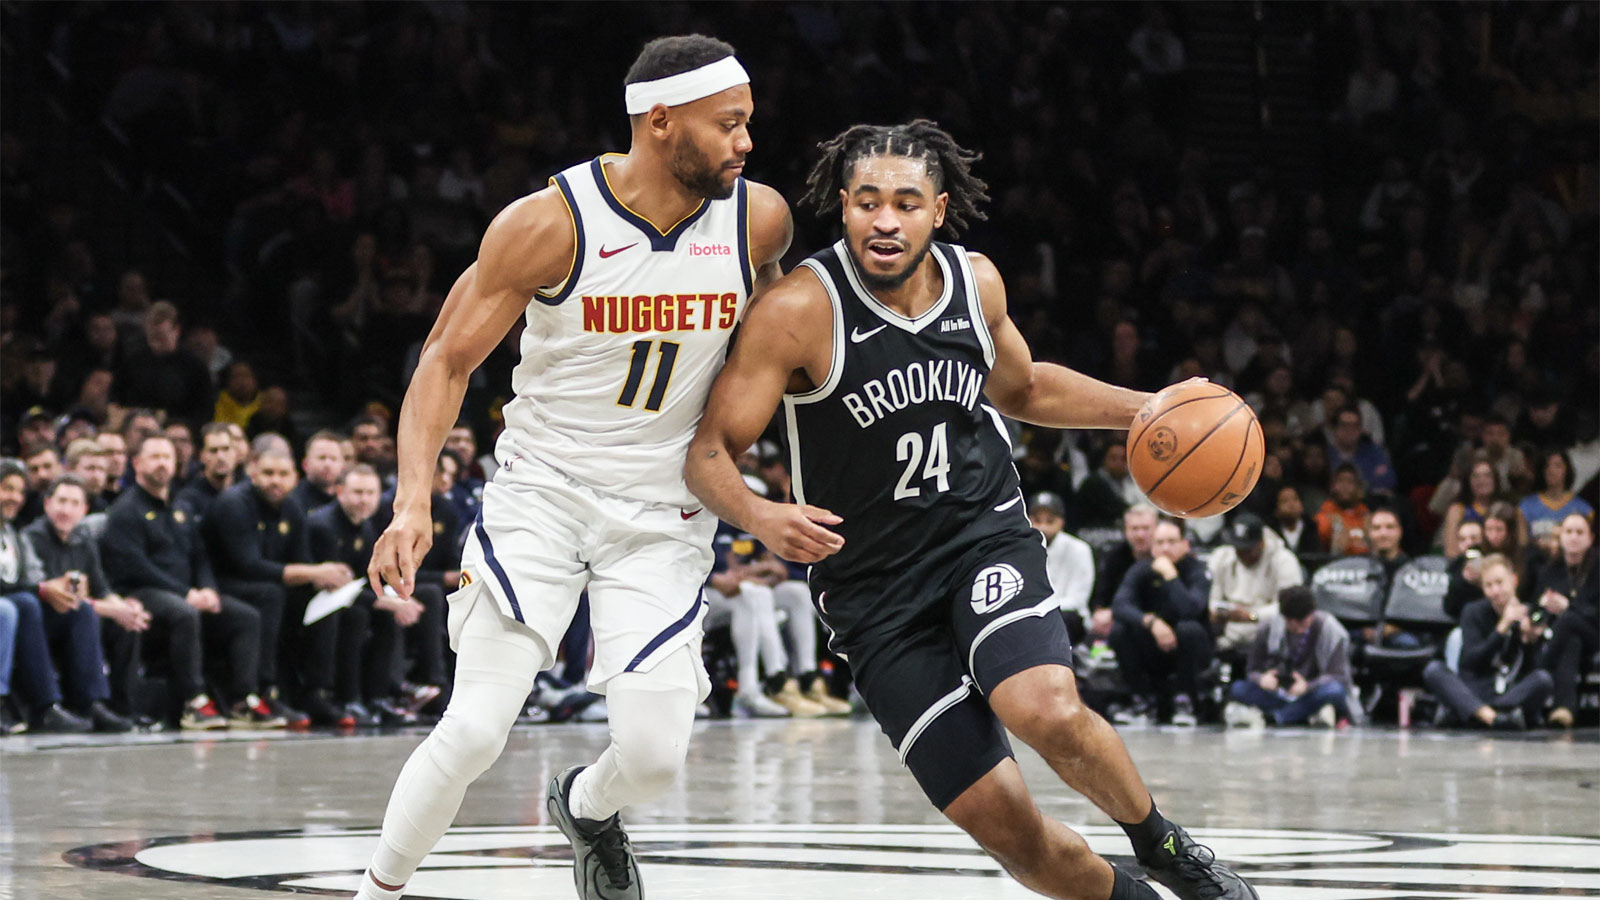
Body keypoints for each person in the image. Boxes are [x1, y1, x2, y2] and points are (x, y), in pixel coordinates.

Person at [685, 120, 1254, 900]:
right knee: (1013, 835)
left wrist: (1150, 410)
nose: (885, 221)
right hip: (874, 596)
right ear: (843, 208)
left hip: (979, 540)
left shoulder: (976, 283)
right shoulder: (796, 311)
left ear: (939, 210)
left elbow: (1022, 390)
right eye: (867, 203)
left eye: (906, 203)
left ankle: (1159, 842)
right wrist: (759, 515)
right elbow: (709, 450)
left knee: (1044, 708)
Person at [357, 35, 791, 900]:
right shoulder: (548, 222)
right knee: (476, 728)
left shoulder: (759, 218)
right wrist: (411, 503)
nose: (747, 142)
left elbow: (784, 347)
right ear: (662, 122)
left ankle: (586, 808)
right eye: (730, 124)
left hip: (665, 506)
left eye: (748, 123)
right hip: (543, 493)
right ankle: (378, 890)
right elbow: (444, 361)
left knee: (656, 758)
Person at [101, 434, 269, 730]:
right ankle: (193, 700)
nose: (162, 464)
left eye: (167, 457)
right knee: (184, 612)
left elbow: (200, 555)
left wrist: (208, 589)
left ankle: (244, 699)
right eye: (154, 457)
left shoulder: (181, 506)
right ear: (137, 463)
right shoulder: (125, 511)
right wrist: (187, 593)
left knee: (246, 617)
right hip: (140, 592)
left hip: (188, 592)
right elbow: (137, 567)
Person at [205, 446, 355, 725]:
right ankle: (264, 690)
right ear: (252, 472)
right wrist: (313, 571)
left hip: (272, 585)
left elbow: (302, 559)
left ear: (295, 476)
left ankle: (318, 691)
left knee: (326, 599)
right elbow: (247, 565)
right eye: (268, 473)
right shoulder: (234, 503)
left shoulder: (291, 506)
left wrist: (326, 576)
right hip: (225, 585)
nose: (276, 480)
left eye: (283, 474)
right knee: (272, 595)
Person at [308, 464, 436, 726]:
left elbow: (366, 578)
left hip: (349, 598)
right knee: (360, 614)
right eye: (357, 492)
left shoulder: (365, 526)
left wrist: (397, 597)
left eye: (370, 493)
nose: (364, 499)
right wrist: (387, 602)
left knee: (389, 612)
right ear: (340, 491)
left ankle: (381, 695)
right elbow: (335, 585)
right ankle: (348, 697)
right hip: (314, 601)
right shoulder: (324, 525)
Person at [19, 475, 137, 731]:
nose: (66, 510)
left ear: (84, 510)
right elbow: (51, 594)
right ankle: (78, 704)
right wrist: (111, 609)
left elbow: (102, 587)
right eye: (61, 501)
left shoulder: (83, 539)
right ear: (47, 504)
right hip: (40, 617)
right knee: (85, 613)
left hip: (72, 615)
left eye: (74, 504)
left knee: (128, 622)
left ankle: (112, 706)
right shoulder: (32, 537)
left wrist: (124, 608)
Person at [0, 460, 98, 732]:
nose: (14, 498)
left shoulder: (13, 533)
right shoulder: (33, 534)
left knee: (79, 609)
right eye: (6, 488)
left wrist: (55, 587)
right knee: (19, 605)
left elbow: (27, 580)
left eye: (19, 492)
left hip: (19, 609)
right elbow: (25, 587)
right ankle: (38, 705)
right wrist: (41, 589)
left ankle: (86, 703)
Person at [1422, 554, 1552, 730]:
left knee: (1543, 679)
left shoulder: (1527, 613)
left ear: (1513, 580)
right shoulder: (1473, 612)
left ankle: (1476, 714)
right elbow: (1471, 662)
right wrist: (1502, 628)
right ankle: (1492, 717)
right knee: (1434, 670)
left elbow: (1531, 670)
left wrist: (1529, 641)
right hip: (1476, 688)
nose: (1495, 591)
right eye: (1489, 585)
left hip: (1508, 692)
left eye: (1500, 583)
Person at [1110, 520, 1213, 726]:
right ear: (1153, 547)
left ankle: (1185, 701)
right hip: (1154, 647)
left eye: (1172, 542)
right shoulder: (1141, 570)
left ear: (1185, 545)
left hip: (1190, 649)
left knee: (1188, 628)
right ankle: (1142, 701)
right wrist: (1152, 622)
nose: (1165, 548)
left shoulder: (1197, 571)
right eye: (1160, 543)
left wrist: (1170, 576)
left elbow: (1190, 610)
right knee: (1120, 631)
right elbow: (1120, 605)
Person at [1224, 586, 1355, 727]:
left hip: (1312, 692)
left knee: (1334, 691)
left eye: (1303, 623)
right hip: (1277, 692)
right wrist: (1262, 679)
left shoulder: (1331, 630)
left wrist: (1308, 686)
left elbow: (1339, 676)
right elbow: (1252, 670)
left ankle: (1276, 717)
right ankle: (1304, 715)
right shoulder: (1267, 628)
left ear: (1312, 613)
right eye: (1292, 624)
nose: (1298, 629)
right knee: (1238, 688)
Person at [1208, 513, 1303, 655]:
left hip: (1268, 634)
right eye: (1239, 549)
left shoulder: (1284, 560)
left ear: (1262, 542)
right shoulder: (1222, 556)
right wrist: (1220, 612)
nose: (1242, 554)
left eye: (1248, 549)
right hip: (1227, 631)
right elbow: (1211, 597)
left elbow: (1291, 606)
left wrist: (1253, 615)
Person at [1535, 513, 1596, 728]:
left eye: (1580, 532)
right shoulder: (1550, 570)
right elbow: (1534, 609)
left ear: (1590, 538)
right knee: (1571, 642)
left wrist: (1568, 606)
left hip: (1595, 633)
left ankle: (1538, 670)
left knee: (1569, 620)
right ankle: (1564, 709)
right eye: (1568, 532)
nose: (1573, 537)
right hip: (1563, 637)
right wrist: (1542, 607)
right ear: (1560, 537)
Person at [1029, 492, 1101, 644]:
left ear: (1061, 521)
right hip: (1031, 614)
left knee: (1063, 620)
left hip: (1069, 616)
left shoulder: (1079, 549)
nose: (1043, 527)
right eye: (1037, 520)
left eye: (1050, 521)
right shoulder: (1022, 550)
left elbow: (1078, 600)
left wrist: (1042, 608)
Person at [174, 423, 237, 527]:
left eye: (226, 449)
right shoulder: (188, 499)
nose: (220, 457)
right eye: (213, 451)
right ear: (202, 456)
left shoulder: (248, 492)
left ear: (235, 452)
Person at [1315, 464, 1371, 556]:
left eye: (1350, 482)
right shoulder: (1323, 517)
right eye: (1340, 481)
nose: (1345, 486)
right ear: (1332, 486)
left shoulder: (1368, 516)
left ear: (1359, 487)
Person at [289, 430, 347, 517]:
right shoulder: (293, 501)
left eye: (333, 458)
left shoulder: (348, 499)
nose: (327, 464)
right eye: (321, 458)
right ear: (305, 464)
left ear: (343, 466)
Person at [1269, 484, 1321, 557]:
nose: (1291, 505)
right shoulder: (1271, 532)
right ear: (1276, 510)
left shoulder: (1312, 527)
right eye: (1285, 501)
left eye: (1295, 499)